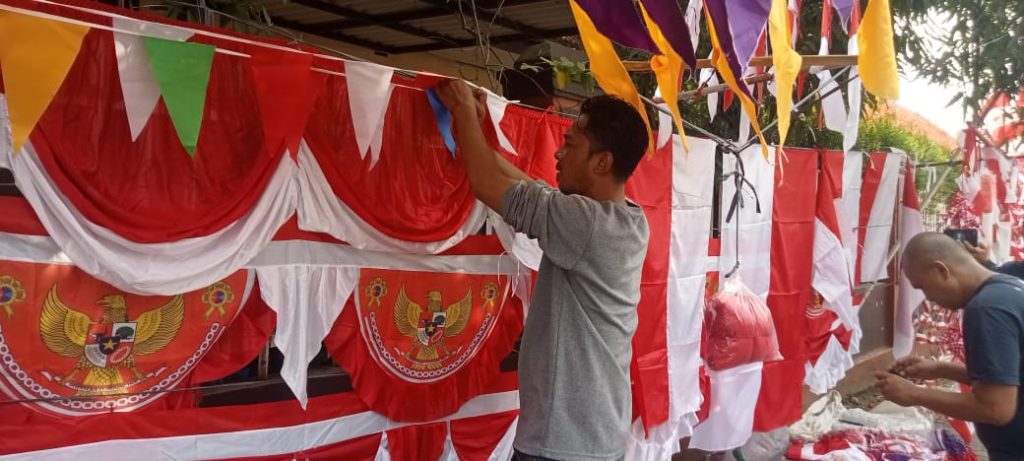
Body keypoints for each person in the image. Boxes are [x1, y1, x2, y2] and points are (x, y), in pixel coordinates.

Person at [434, 80, 650, 461]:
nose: (558, 154)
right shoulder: (629, 219)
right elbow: (527, 187)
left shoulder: (585, 223)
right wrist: (477, 128)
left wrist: (463, 111)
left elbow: (486, 184)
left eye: (570, 145)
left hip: (563, 445)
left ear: (602, 162)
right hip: (596, 439)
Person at [877, 232, 1023, 460]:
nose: (927, 297)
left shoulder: (987, 308)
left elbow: (996, 408)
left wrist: (914, 394)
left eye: (922, 286)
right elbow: (1008, 377)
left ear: (941, 270)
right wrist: (941, 369)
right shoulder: (1009, 288)